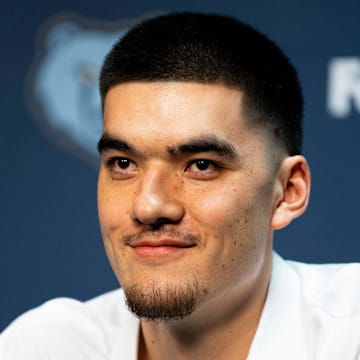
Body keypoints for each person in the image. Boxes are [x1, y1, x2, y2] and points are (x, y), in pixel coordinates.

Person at [1, 12, 359, 360]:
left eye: (201, 165)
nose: (149, 206)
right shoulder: (45, 347)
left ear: (288, 192)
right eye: (124, 164)